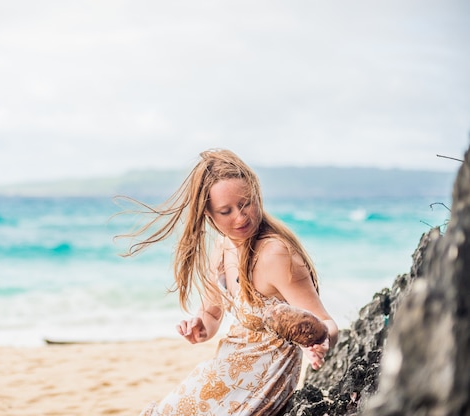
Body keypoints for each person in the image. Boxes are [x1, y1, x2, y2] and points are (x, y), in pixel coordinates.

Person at [119, 149, 338, 416]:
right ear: (209, 216)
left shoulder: (275, 255)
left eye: (246, 203)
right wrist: (199, 327)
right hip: (227, 366)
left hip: (263, 382)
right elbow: (212, 313)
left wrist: (322, 342)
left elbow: (325, 322)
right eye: (226, 211)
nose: (241, 217)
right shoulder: (222, 249)